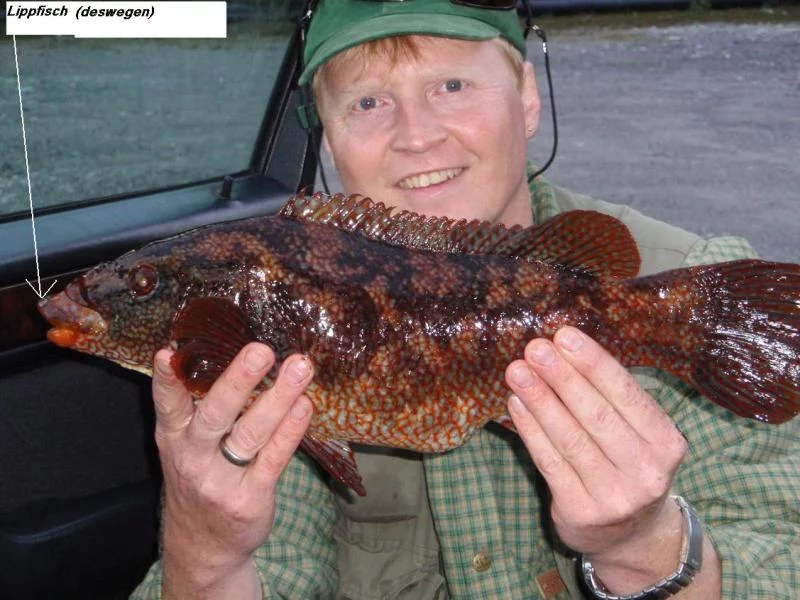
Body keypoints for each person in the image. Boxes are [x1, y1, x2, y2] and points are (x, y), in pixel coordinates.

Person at [131, 1, 799, 598]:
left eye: (451, 85)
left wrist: (646, 549)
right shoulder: (283, 307)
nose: (416, 134)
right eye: (367, 102)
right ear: (327, 138)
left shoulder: (690, 290)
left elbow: (782, 557)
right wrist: (207, 549)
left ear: (527, 98)